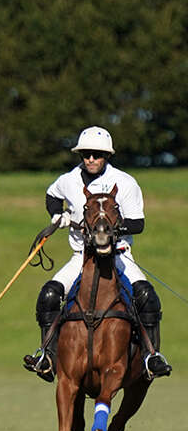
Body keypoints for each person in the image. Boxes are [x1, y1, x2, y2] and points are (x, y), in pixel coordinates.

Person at [23, 126, 172, 382]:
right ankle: (47, 357)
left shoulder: (124, 182)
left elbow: (138, 223)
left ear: (107, 156)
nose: (91, 159)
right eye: (86, 154)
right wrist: (58, 215)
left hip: (118, 256)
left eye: (97, 154)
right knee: (48, 295)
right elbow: (52, 195)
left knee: (147, 296)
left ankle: (151, 357)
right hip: (80, 257)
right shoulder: (69, 179)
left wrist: (107, 230)